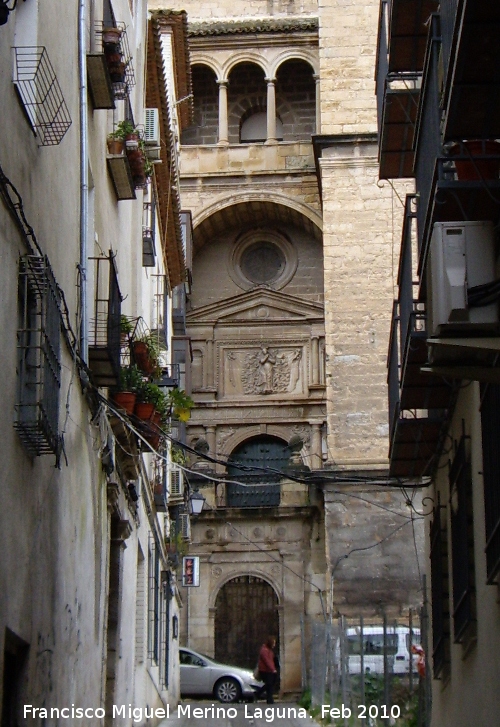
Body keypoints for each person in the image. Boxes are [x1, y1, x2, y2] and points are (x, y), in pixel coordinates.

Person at [255, 636, 277, 704]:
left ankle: (268, 698)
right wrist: (272, 669)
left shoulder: (269, 650)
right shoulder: (264, 650)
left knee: (270, 684)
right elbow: (267, 661)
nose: (274, 645)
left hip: (270, 670)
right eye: (273, 643)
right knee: (269, 684)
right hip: (265, 670)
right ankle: (260, 694)